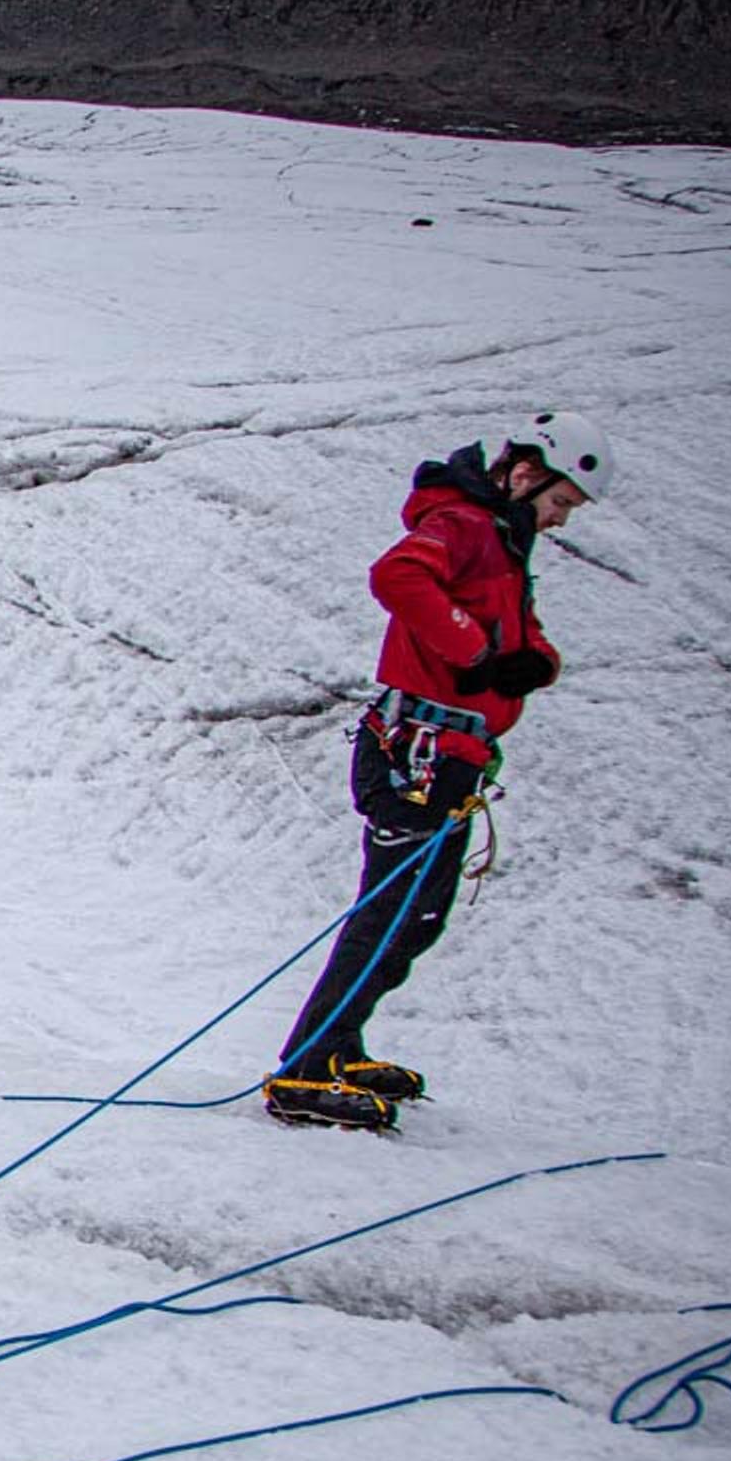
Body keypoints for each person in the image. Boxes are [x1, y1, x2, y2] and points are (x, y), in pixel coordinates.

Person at [266, 408, 610, 1131]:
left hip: (452, 759)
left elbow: (519, 635)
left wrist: (532, 663)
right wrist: (475, 654)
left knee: (416, 918)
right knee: (388, 913)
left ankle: (337, 1048)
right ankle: (304, 1071)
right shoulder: (463, 527)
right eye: (559, 504)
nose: (561, 522)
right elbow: (397, 576)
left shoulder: (501, 543)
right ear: (525, 474)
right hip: (415, 757)